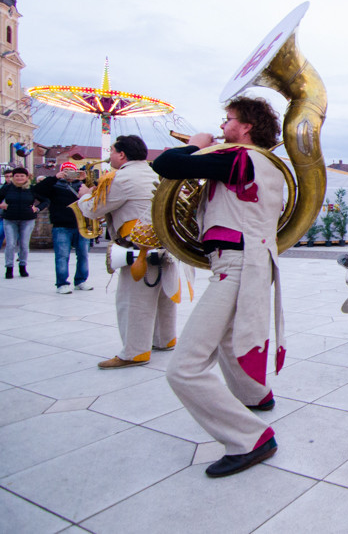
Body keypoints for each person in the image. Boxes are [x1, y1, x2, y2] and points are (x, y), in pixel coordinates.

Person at [154, 96, 284, 478]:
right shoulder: (257, 163)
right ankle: (254, 396)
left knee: (184, 368)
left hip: (237, 263)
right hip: (244, 260)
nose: (222, 127)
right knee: (228, 338)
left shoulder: (238, 158)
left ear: (245, 127)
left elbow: (167, 165)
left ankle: (250, 438)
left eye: (228, 120)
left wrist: (196, 143)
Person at [76, 136, 177, 368]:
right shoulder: (155, 173)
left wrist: (84, 196)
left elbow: (93, 210)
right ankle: (165, 339)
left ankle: (135, 352)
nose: (110, 155)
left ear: (122, 155)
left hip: (137, 248)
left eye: (112, 151)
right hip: (163, 243)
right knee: (163, 297)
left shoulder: (120, 178)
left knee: (133, 302)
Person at [33, 162, 94, 294]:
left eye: (71, 171)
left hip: (81, 225)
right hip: (61, 225)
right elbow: (37, 190)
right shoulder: (54, 186)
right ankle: (62, 283)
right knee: (62, 256)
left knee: (83, 255)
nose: (68, 173)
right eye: (65, 171)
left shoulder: (82, 186)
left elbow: (98, 192)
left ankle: (81, 281)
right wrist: (55, 177)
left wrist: (85, 179)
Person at [0, 167, 48, 279]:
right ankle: (9, 267)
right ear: (13, 177)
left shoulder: (32, 189)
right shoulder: (7, 188)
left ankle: (22, 266)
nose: (19, 178)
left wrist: (37, 208)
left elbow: (46, 200)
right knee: (10, 244)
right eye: (17, 176)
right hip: (10, 219)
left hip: (27, 220)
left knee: (24, 244)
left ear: (27, 177)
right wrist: (1, 206)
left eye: (22, 176)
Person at [0, 169, 12, 250]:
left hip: (17, 216)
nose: (9, 179)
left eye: (10, 176)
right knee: (0, 233)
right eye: (7, 177)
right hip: (2, 215)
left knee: (20, 238)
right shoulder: (3, 188)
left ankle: (21, 256)